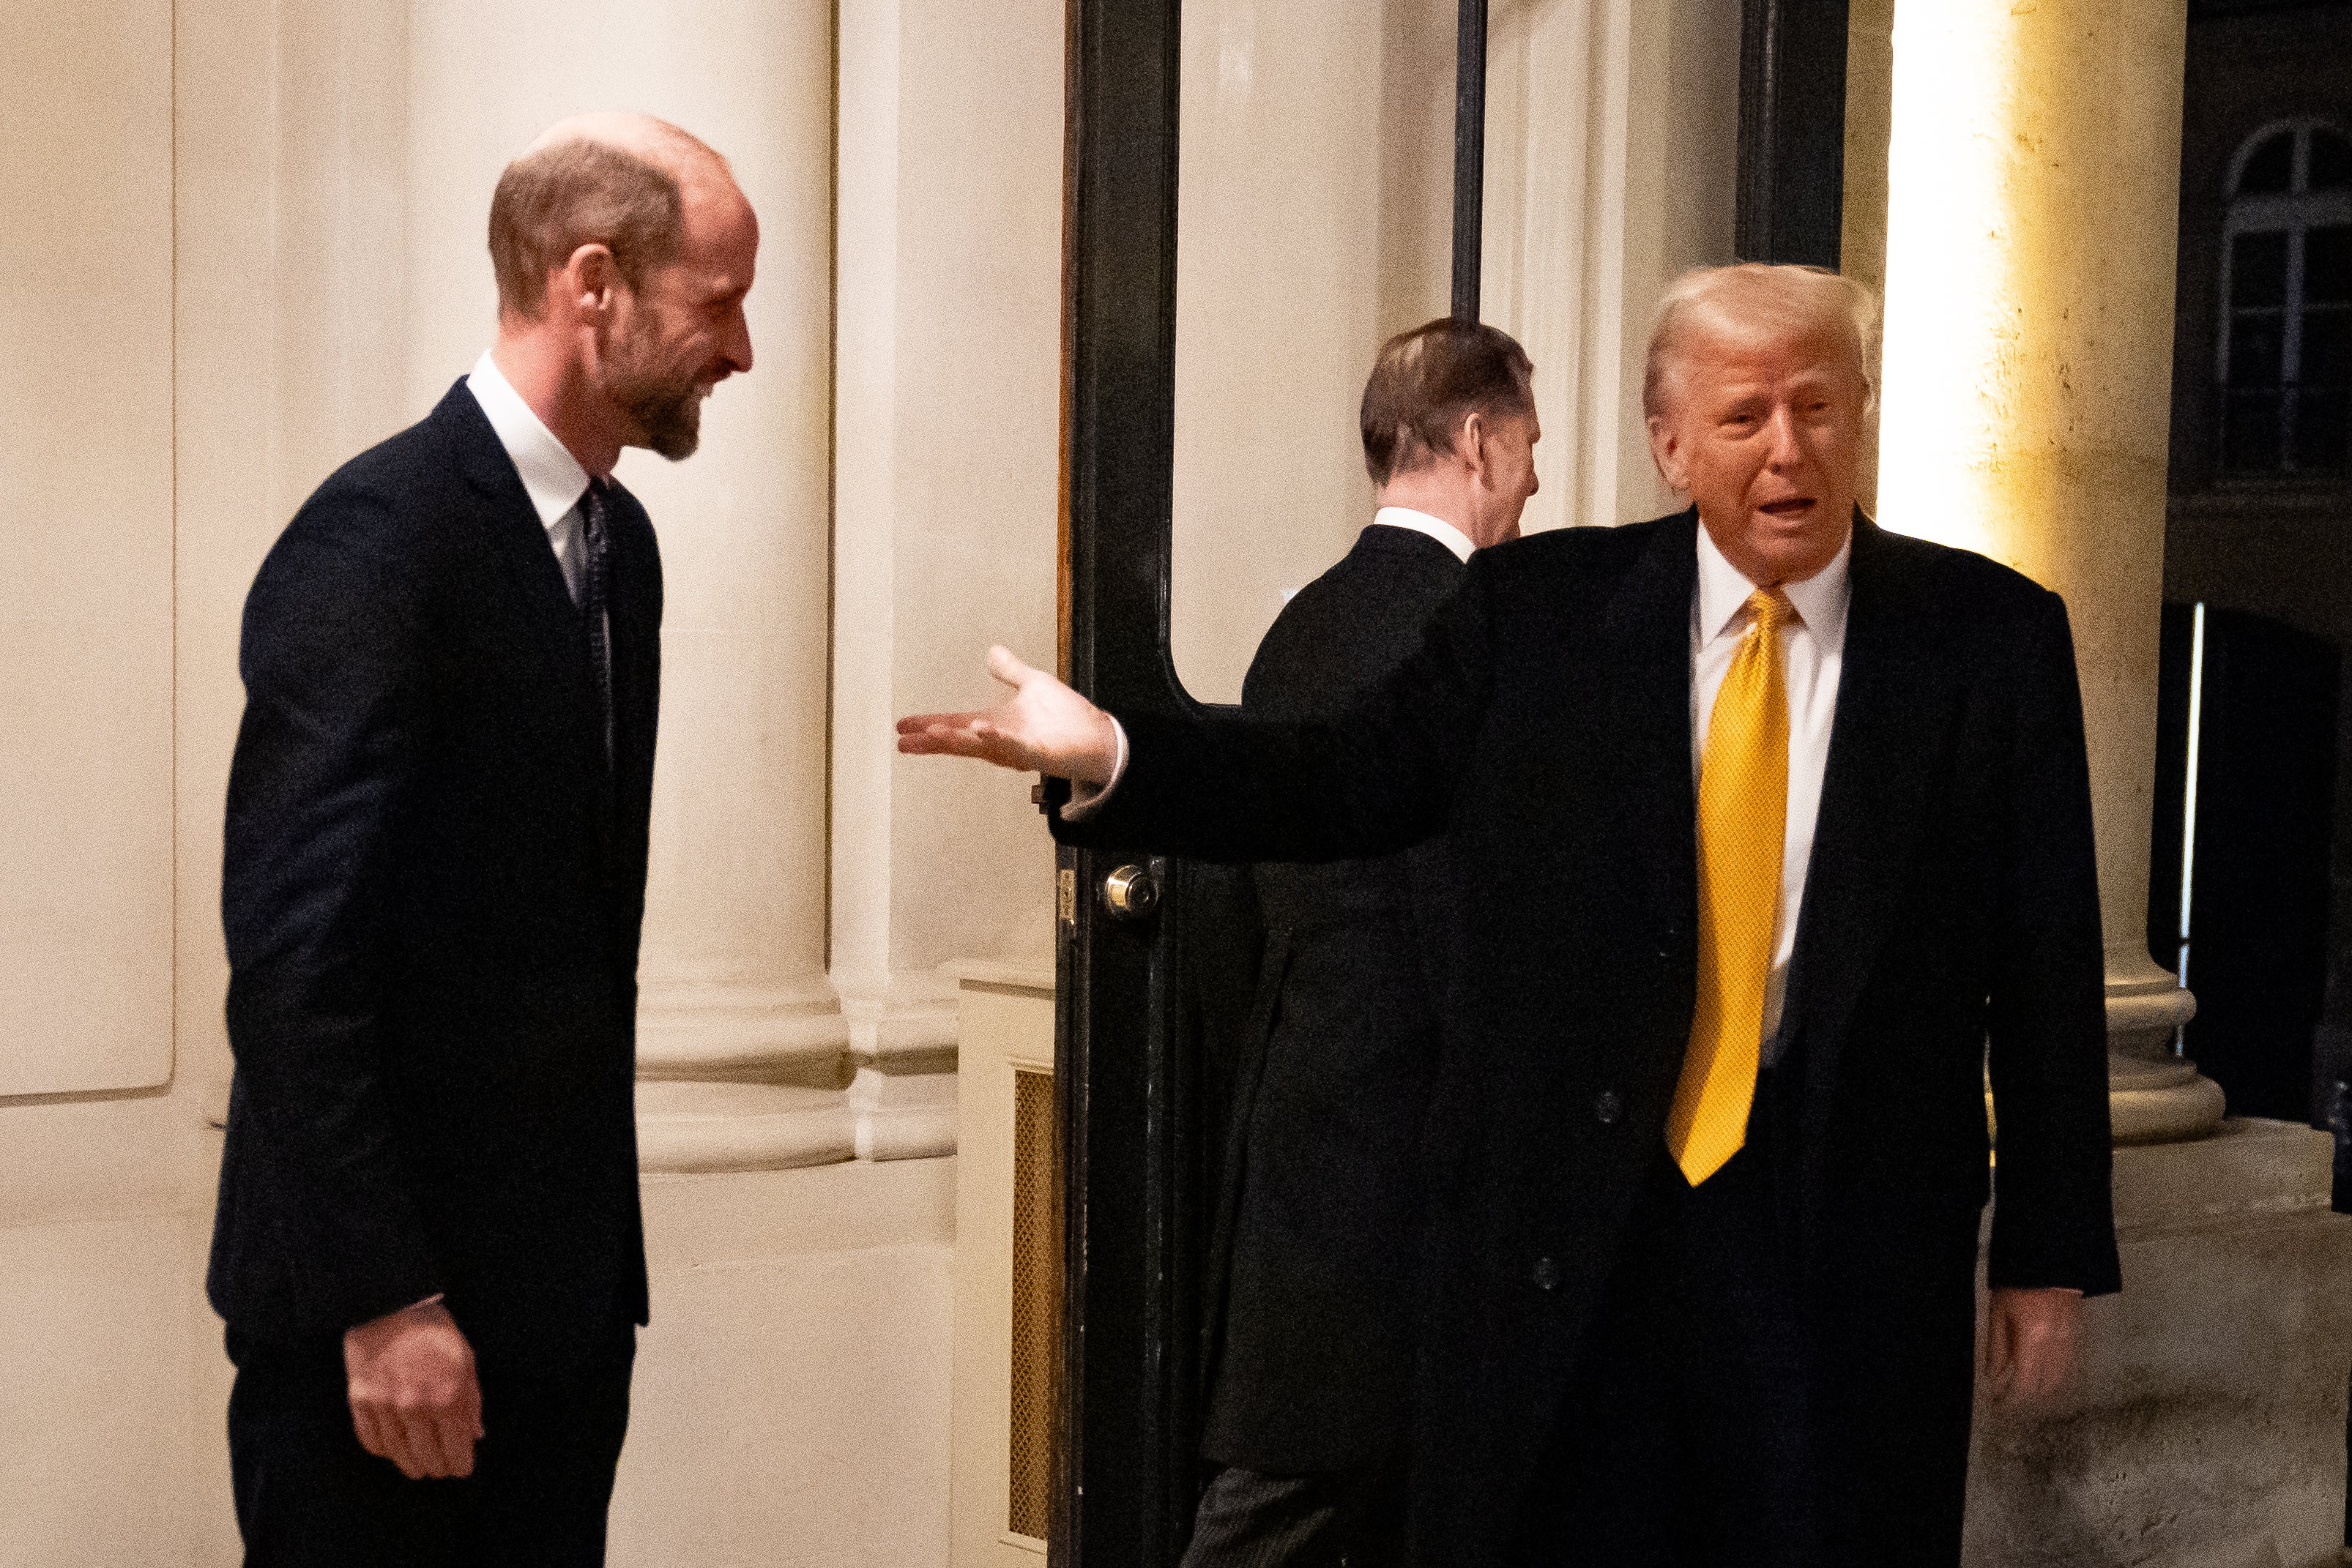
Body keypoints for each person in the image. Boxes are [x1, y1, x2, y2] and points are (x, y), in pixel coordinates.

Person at [899, 264, 2118, 1567]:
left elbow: (2042, 964)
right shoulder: (1544, 616)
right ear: (1668, 444)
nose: (1788, 451)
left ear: (1862, 419)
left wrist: (2045, 1251)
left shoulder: (1989, 638)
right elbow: (1348, 776)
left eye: (1819, 409)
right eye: (1745, 416)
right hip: (1588, 1240)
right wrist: (1120, 754)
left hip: (1847, 1242)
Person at [209, 113, 758, 1566]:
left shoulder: (615, 549)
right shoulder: (378, 537)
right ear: (595, 285)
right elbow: (291, 961)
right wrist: (386, 1298)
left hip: (557, 1318)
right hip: (384, 1333)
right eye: (718, 301)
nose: (743, 350)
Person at [1183, 320, 1536, 1568]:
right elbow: (1473, 919)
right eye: (1531, 443)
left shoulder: (1299, 624)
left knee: (1294, 1495)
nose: (1538, 479)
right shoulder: (1482, 628)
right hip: (1416, 1152)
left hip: (1298, 1122)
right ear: (1482, 441)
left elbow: (1239, 897)